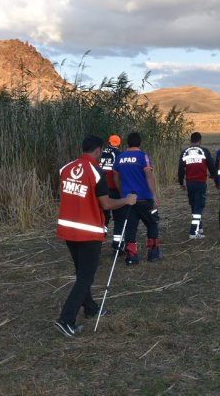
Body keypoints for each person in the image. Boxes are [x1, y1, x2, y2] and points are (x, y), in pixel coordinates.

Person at [54, 135, 136, 337]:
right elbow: (106, 204)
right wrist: (127, 200)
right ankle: (66, 319)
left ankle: (90, 307)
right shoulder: (97, 172)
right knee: (85, 277)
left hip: (68, 228)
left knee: (81, 272)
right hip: (88, 231)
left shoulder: (65, 169)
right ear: (98, 151)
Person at [113, 132, 162, 264]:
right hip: (145, 198)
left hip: (128, 200)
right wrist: (154, 195)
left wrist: (122, 193)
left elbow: (115, 177)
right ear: (140, 143)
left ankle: (132, 256)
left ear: (127, 143)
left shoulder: (120, 157)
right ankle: (153, 252)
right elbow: (148, 175)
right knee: (152, 223)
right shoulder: (143, 157)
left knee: (130, 227)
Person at [178, 131, 217, 239]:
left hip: (189, 183)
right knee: (198, 207)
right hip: (200, 182)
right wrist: (213, 176)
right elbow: (212, 165)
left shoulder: (184, 152)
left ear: (191, 141)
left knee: (194, 205)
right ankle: (193, 232)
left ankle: (199, 227)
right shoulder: (204, 151)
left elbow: (181, 169)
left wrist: (181, 183)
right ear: (200, 141)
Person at [98, 134, 128, 254]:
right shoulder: (119, 155)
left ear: (109, 142)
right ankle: (118, 246)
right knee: (119, 219)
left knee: (102, 219)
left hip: (100, 190)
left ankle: (98, 243)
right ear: (119, 143)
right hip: (114, 190)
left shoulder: (100, 153)